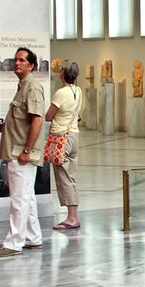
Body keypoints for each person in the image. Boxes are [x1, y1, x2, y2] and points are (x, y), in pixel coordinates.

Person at [0, 46, 48, 256]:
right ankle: (33, 237)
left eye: (22, 60)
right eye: (15, 60)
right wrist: (4, 127)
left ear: (31, 65)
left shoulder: (32, 87)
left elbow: (37, 120)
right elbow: (23, 121)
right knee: (27, 197)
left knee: (19, 199)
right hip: (16, 149)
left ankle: (14, 243)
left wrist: (26, 149)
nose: (17, 63)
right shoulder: (22, 86)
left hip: (21, 154)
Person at [48, 60, 86, 232]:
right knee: (71, 176)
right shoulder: (77, 90)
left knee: (64, 177)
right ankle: (73, 215)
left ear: (62, 73)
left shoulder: (60, 93)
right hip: (74, 135)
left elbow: (49, 116)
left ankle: (72, 217)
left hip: (60, 137)